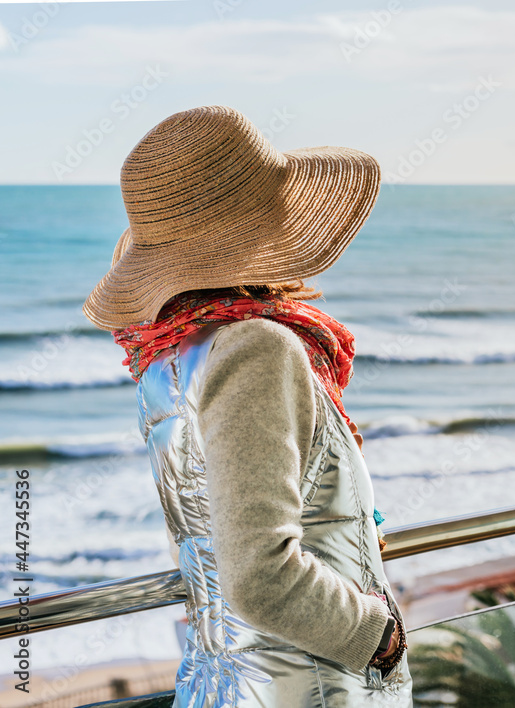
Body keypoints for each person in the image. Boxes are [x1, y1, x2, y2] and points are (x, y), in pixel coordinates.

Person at [82, 105, 412, 707]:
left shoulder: (168, 361)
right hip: (306, 685)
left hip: (229, 680)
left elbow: (221, 531)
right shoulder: (256, 347)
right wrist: (378, 637)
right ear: (266, 232)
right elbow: (259, 575)